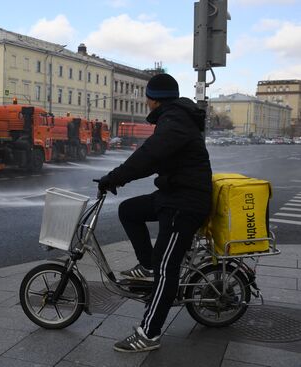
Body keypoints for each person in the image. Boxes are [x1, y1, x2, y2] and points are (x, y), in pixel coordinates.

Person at [97, 73, 212, 352]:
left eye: (147, 97)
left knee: (166, 267)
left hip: (184, 204)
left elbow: (148, 156)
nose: (145, 102)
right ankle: (146, 264)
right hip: (172, 195)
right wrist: (117, 179)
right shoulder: (173, 119)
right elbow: (151, 159)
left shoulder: (174, 123)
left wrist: (114, 177)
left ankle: (149, 333)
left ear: (154, 99)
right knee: (129, 210)